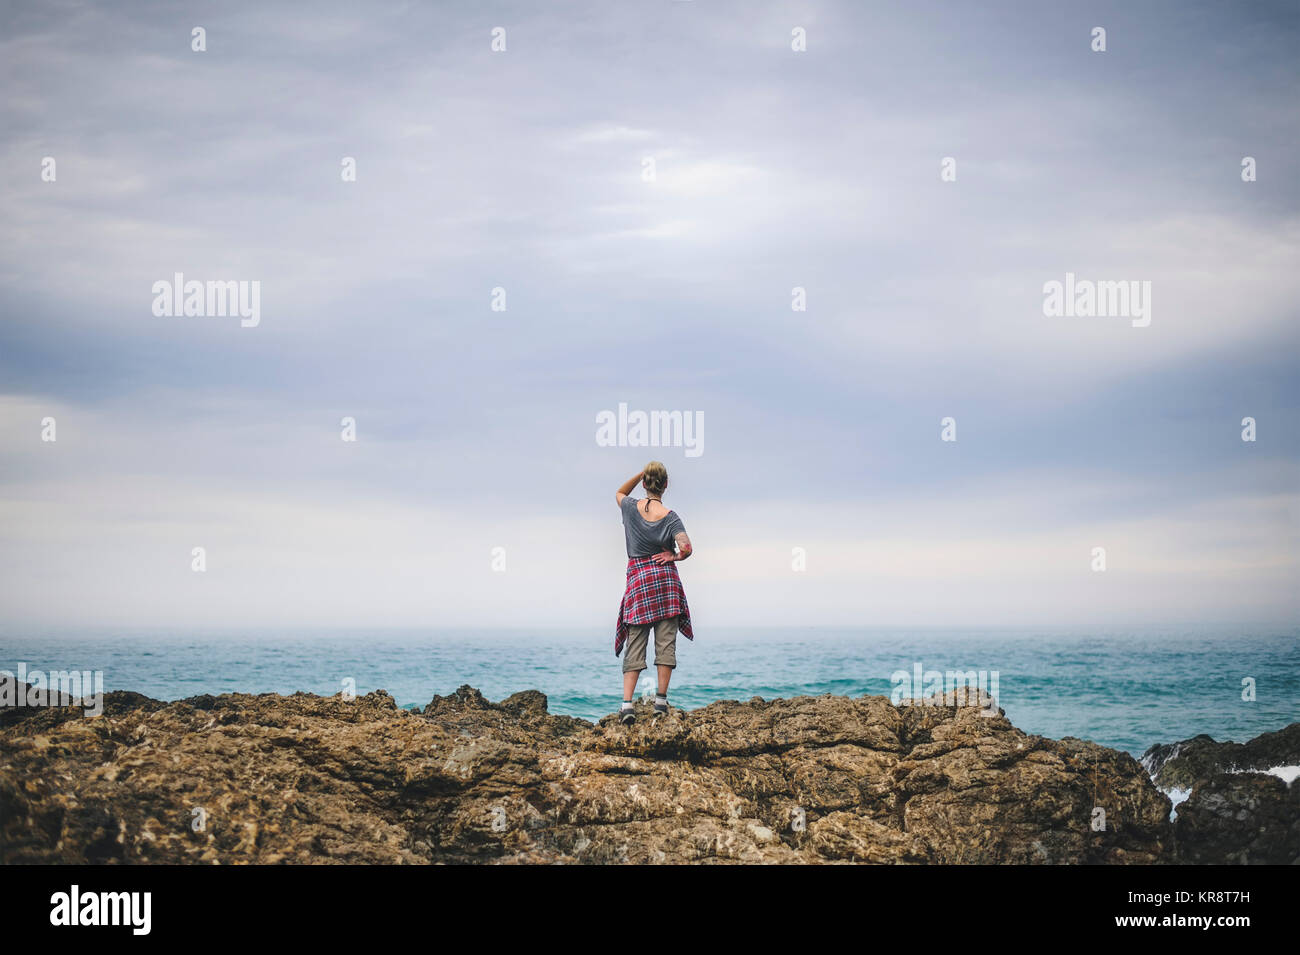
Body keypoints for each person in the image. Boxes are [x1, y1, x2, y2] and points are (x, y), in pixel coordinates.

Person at [613, 462, 694, 724]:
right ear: (667, 485)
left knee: (635, 642)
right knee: (665, 643)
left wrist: (639, 473)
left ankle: (627, 706)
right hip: (665, 581)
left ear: (645, 483)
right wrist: (674, 556)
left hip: (639, 582)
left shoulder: (630, 507)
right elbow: (687, 547)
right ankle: (660, 701)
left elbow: (619, 492)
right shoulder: (671, 516)